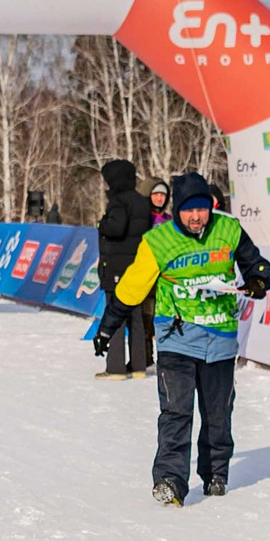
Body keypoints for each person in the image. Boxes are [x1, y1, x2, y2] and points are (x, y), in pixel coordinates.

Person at [97, 171, 270, 506]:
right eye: (189, 210)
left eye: (202, 209)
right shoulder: (158, 241)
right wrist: (108, 327)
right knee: (176, 412)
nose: (196, 217)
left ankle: (216, 475)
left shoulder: (229, 229)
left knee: (218, 414)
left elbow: (258, 266)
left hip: (220, 337)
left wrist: (258, 281)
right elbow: (132, 288)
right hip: (176, 339)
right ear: (177, 210)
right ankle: (170, 480)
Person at [93, 158, 154, 379]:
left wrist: (102, 224)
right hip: (137, 265)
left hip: (118, 266)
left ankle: (116, 367)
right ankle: (138, 365)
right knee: (136, 316)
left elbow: (116, 228)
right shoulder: (141, 202)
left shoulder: (119, 202)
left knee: (116, 314)